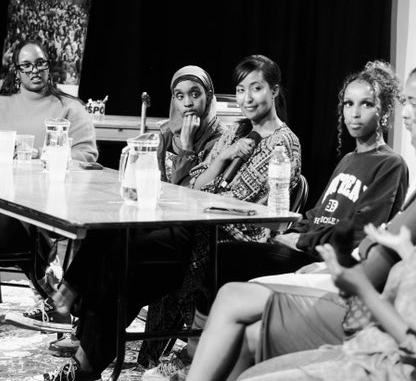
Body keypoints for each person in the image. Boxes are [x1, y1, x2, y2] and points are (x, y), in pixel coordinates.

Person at [203, 104, 416, 381]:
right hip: (378, 350)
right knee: (253, 365)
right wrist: (408, 253)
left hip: (387, 364)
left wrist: (359, 287)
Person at [143, 60, 408, 381]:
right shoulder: (349, 159)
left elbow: (361, 231)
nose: (354, 113)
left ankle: (191, 355)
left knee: (217, 257)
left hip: (324, 261)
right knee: (193, 253)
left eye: (365, 104)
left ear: (384, 112)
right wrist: (295, 230)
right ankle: (189, 354)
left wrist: (299, 238)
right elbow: (319, 214)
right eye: (348, 104)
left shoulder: (390, 163)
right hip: (304, 245)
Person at [42, 55, 301, 381]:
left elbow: (227, 198)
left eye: (257, 88)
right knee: (114, 240)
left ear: (274, 90)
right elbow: (195, 183)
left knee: (120, 251)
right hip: (190, 226)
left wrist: (207, 179)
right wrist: (221, 158)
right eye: (240, 90)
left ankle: (75, 319)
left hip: (221, 238)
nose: (247, 98)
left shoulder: (283, 143)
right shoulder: (237, 130)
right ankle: (83, 356)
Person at [0, 40, 98, 333]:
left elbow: (86, 156)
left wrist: (44, 155)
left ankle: (53, 296)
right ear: (17, 72)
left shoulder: (69, 108)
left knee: (7, 223)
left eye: (40, 63)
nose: (34, 70)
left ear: (49, 67)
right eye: (26, 65)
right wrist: (4, 141)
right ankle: (53, 289)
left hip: (46, 202)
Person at [158, 66, 228, 186]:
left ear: (208, 96)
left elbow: (189, 189)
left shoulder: (222, 139)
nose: (187, 103)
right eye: (180, 96)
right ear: (174, 100)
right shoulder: (167, 135)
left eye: (195, 95)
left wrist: (187, 146)